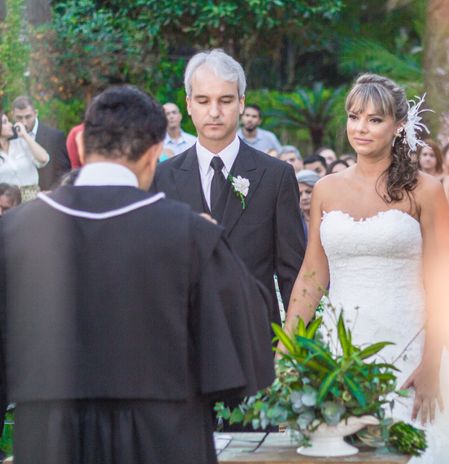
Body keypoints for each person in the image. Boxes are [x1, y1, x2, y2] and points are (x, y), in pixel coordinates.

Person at [0, 85, 275, 464]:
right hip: (162, 437)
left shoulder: (12, 233)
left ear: (81, 149)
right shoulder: (189, 234)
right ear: (153, 154)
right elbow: (248, 349)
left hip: (50, 439)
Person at [281, 73, 449, 464]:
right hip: (339, 350)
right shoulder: (326, 189)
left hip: (409, 348)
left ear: (398, 125)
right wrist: (288, 353)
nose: (361, 128)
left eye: (375, 119)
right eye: (354, 117)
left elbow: (443, 283)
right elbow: (311, 275)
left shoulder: (425, 189)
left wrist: (432, 364)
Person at [153, 49, 305, 326]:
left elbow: (292, 273)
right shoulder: (161, 178)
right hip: (182, 341)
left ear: (241, 102)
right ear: (188, 104)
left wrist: (294, 351)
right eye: (203, 100)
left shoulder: (276, 176)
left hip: (257, 338)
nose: (214, 112)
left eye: (225, 100)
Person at [12, 96, 70, 190]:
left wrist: (51, 192)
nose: (24, 123)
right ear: (13, 115)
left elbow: (64, 172)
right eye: (19, 118)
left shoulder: (54, 137)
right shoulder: (9, 137)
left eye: (28, 117)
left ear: (36, 113)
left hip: (48, 196)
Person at [0, 109, 50, 201]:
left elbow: (44, 159)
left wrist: (25, 136)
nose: (11, 124)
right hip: (8, 204)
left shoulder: (21, 143)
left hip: (32, 201)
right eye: (5, 122)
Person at [296, 169, 320, 233]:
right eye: (300, 194)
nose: (304, 197)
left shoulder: (329, 218)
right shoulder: (292, 221)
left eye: (308, 192)